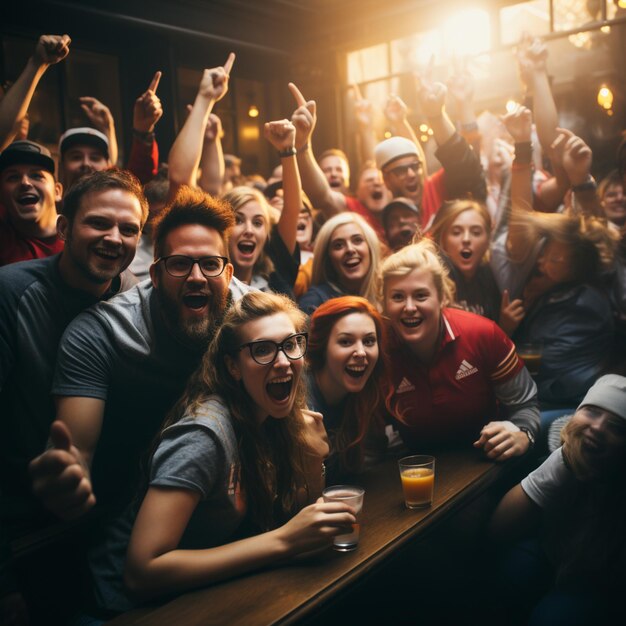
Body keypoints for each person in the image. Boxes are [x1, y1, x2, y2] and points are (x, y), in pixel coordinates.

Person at [86, 291, 354, 615]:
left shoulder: (272, 419)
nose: (283, 361)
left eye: (290, 344)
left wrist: (313, 460)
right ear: (233, 367)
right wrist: (282, 542)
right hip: (122, 612)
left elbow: (299, 523)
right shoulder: (205, 435)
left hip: (200, 601)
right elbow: (142, 571)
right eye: (263, 350)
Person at [29, 185, 247, 523]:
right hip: (128, 516)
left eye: (210, 264)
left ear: (228, 274)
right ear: (156, 275)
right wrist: (70, 471)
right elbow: (76, 448)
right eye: (179, 264)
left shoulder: (254, 319)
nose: (196, 277)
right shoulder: (103, 332)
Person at [0, 168, 146, 625]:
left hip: (101, 533)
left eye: (129, 229)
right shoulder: (11, 293)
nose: (114, 238)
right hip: (23, 534)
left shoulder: (132, 299)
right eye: (99, 223)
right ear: (63, 227)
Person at [380, 239, 539, 459]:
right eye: (398, 297)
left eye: (420, 296)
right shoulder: (378, 350)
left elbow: (525, 405)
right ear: (384, 303)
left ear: (442, 297)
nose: (409, 307)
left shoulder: (483, 334)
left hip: (486, 465)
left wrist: (523, 433)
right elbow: (370, 438)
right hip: (415, 472)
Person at [488, 374, 626, 625]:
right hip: (556, 550)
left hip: (604, 578)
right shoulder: (567, 457)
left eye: (617, 427)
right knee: (514, 570)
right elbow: (500, 528)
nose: (596, 428)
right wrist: (562, 467)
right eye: (592, 412)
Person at [306, 296, 394, 483]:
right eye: (345, 342)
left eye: (369, 341)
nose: (361, 352)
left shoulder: (370, 391)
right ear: (323, 347)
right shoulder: (302, 402)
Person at [222, 118, 302, 298]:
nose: (249, 230)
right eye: (238, 220)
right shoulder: (208, 285)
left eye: (258, 223)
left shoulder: (276, 272)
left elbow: (292, 210)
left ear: (267, 234)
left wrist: (287, 150)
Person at [429, 198, 501, 323]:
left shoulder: (490, 278)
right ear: (443, 241)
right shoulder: (432, 281)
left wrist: (505, 327)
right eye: (456, 232)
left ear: (487, 241)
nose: (466, 239)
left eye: (476, 232)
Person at [298, 212, 381, 315]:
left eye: (357, 240)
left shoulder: (388, 293)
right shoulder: (314, 302)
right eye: (338, 245)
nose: (350, 249)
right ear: (327, 258)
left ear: (370, 247)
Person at [0, 140, 64, 266]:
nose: (25, 182)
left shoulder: (79, 237)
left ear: (57, 191)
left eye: (36, 175)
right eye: (13, 177)